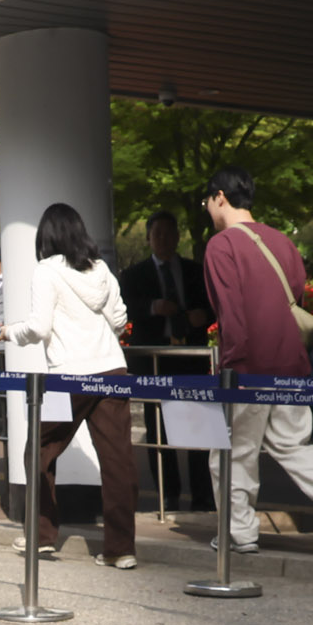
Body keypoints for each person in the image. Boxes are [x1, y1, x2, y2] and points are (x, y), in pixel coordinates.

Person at [202, 165, 313, 557]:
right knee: (294, 445)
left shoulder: (221, 246)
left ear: (220, 197)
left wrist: (230, 369)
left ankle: (238, 532)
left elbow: (230, 315)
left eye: (207, 202)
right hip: (292, 363)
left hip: (247, 367)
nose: (208, 210)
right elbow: (296, 298)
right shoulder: (282, 243)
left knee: (230, 450)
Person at [1, 203, 138, 568]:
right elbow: (120, 319)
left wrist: (11, 331)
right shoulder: (101, 269)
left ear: (46, 237)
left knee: (40, 449)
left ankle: (42, 537)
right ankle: (120, 549)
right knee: (118, 461)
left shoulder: (46, 271)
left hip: (69, 375)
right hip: (111, 370)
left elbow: (40, 327)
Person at [119, 211, 215, 510]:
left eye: (169, 233)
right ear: (149, 237)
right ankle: (168, 494)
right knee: (158, 428)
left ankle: (203, 496)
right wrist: (151, 307)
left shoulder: (194, 270)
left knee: (201, 426)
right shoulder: (134, 274)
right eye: (157, 233)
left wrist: (205, 316)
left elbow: (213, 305)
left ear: (177, 236)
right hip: (154, 360)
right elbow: (123, 309)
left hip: (191, 358)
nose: (163, 239)